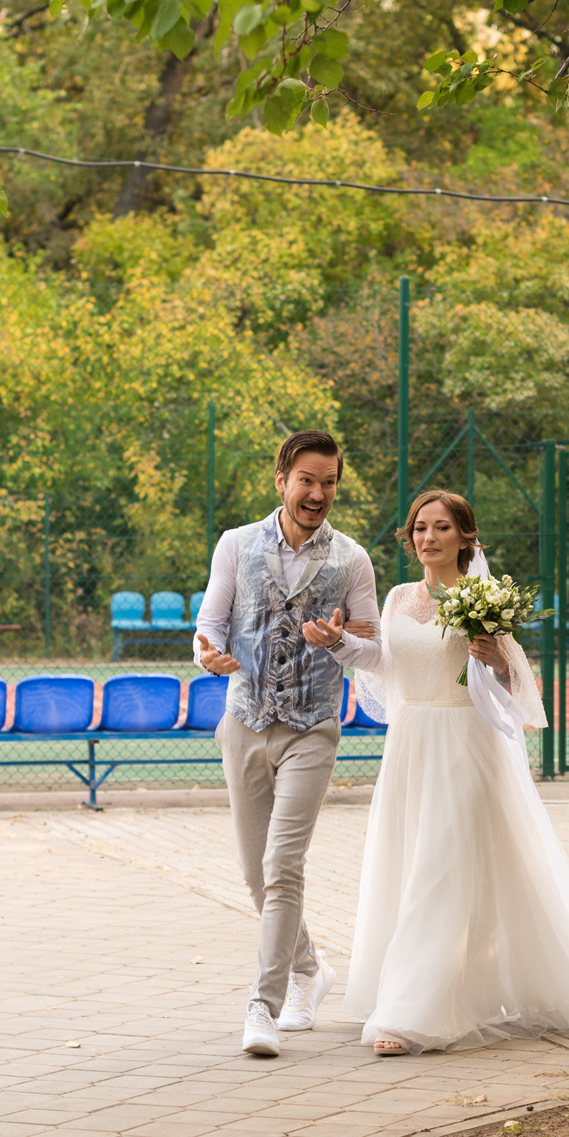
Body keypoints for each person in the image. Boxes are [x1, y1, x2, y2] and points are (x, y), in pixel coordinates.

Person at [313, 489, 569, 1056]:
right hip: (411, 744)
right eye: (419, 528)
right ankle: (441, 991)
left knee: (441, 867)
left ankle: (411, 1016)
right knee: (411, 865)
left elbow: (519, 684)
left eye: (441, 528)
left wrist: (497, 659)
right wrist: (340, 645)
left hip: (464, 743)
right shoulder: (400, 599)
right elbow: (386, 667)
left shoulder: (484, 597)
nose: (428, 537)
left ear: (465, 538)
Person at [193, 430, 380, 1058]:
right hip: (244, 719)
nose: (318, 493)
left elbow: (374, 649)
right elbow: (210, 623)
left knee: (283, 865)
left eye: (329, 482)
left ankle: (261, 1007)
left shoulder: (352, 559)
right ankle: (310, 969)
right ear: (282, 481)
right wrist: (208, 656)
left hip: (312, 727)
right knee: (255, 873)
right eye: (307, 480)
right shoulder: (236, 544)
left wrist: (340, 645)